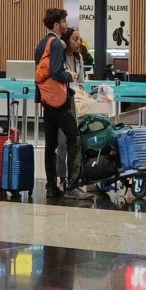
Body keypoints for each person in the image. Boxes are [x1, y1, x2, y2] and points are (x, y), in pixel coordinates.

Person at [34, 8, 86, 200]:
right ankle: (72, 186)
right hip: (59, 100)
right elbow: (56, 72)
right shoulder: (56, 43)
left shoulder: (42, 44)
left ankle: (51, 186)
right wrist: (69, 75)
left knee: (51, 144)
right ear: (56, 24)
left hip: (46, 100)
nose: (66, 25)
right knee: (74, 139)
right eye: (64, 21)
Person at [56, 28, 94, 200]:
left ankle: (77, 178)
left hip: (77, 103)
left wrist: (82, 95)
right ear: (67, 40)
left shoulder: (79, 58)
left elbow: (81, 82)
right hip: (63, 102)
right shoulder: (60, 58)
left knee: (77, 142)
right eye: (75, 39)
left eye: (80, 39)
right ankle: (62, 177)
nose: (79, 42)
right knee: (62, 143)